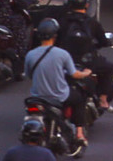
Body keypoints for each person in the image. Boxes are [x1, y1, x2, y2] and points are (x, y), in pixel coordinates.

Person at [26, 17, 94, 148]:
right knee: (79, 99)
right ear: (55, 36)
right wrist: (86, 73)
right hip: (60, 96)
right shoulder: (62, 54)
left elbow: (29, 75)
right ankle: (79, 133)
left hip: (37, 97)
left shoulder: (30, 54)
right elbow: (74, 74)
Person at [57, 0, 113, 112]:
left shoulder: (63, 22)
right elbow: (103, 41)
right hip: (88, 62)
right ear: (87, 5)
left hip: (65, 61)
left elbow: (57, 40)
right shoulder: (92, 22)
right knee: (109, 68)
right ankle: (103, 100)